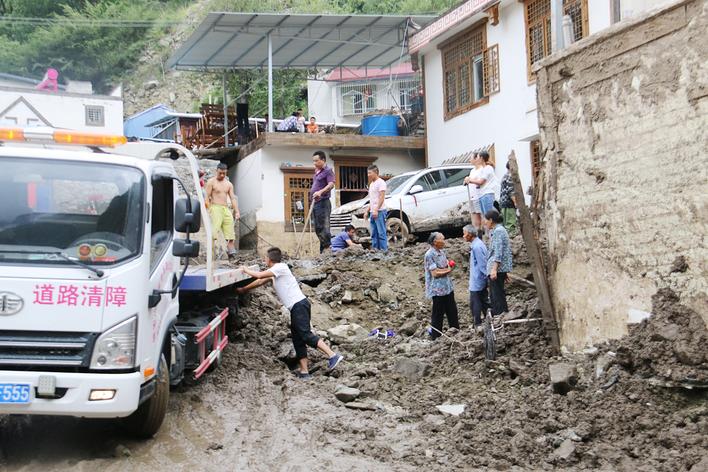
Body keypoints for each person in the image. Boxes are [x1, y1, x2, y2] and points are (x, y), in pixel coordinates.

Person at [237, 247, 344, 379]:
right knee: (297, 338)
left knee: (305, 335)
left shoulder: (280, 267)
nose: (264, 259)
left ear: (269, 259)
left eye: (265, 257)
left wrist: (245, 269)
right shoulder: (275, 273)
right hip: (295, 308)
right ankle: (304, 371)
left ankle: (333, 355)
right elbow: (260, 281)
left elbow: (259, 275)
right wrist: (243, 289)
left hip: (299, 305)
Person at [424, 232, 459, 340]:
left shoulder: (442, 252)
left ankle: (456, 333)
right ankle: (436, 337)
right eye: (442, 240)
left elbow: (445, 265)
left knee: (452, 311)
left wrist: (446, 268)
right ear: (435, 242)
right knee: (438, 315)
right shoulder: (430, 254)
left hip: (447, 288)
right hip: (437, 290)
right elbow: (434, 273)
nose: (444, 242)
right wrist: (448, 270)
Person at [205, 163, 240, 259]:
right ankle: (211, 255)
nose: (222, 175)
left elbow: (233, 198)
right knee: (214, 233)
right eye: (220, 173)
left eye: (224, 173)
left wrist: (237, 211)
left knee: (230, 232)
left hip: (226, 209)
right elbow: (206, 197)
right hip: (215, 207)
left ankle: (231, 254)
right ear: (216, 171)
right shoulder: (211, 182)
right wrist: (208, 209)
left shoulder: (228, 184)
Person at [484, 209, 512, 316]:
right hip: (499, 268)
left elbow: (498, 251)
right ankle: (502, 316)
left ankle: (500, 316)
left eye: (486, 220)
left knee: (496, 295)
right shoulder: (498, 230)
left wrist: (495, 269)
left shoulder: (498, 231)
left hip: (496, 268)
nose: (485, 222)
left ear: (491, 220)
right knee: (497, 293)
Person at [463, 224, 489, 332]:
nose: (463, 236)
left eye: (464, 233)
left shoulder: (477, 246)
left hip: (477, 279)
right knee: (483, 301)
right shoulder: (477, 244)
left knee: (475, 302)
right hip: (478, 278)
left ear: (469, 234)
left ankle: (478, 324)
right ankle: (489, 319)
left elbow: (482, 264)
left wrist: (486, 276)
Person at [310, 150, 335, 253]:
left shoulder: (328, 171)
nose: (314, 163)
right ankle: (323, 251)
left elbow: (331, 184)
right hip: (316, 203)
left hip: (323, 203)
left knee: (324, 227)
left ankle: (327, 249)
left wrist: (320, 192)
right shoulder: (317, 172)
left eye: (316, 161)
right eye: (313, 161)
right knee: (318, 227)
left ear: (323, 160)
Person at [466, 151, 499, 221]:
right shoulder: (483, 169)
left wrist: (470, 180)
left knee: (489, 217)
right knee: (486, 217)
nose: (476, 159)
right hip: (482, 194)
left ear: (481, 158)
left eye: (477, 157)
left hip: (487, 194)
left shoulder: (488, 168)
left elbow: (481, 182)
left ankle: (492, 231)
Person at [365, 165, 387, 251]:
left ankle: (384, 251)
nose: (368, 175)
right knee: (374, 233)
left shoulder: (381, 183)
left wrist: (376, 210)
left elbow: (381, 198)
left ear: (376, 172)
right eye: (368, 173)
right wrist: (367, 211)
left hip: (380, 211)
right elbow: (372, 199)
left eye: (370, 173)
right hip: (373, 212)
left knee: (381, 232)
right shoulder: (371, 184)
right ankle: (375, 250)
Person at [463, 152, 483, 230]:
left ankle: (484, 235)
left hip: (478, 196)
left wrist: (470, 180)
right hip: (472, 197)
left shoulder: (482, 170)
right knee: (475, 219)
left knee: (481, 217)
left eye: (471, 158)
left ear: (476, 159)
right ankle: (478, 235)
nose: (469, 160)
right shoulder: (472, 171)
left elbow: (480, 182)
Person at [499, 162, 517, 235]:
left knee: (504, 222)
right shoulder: (510, 176)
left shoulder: (505, 176)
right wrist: (515, 202)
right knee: (510, 222)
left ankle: (505, 236)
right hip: (509, 203)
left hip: (503, 202)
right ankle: (511, 236)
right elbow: (511, 191)